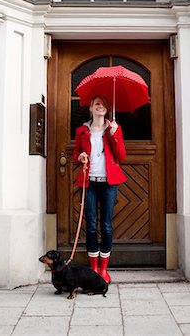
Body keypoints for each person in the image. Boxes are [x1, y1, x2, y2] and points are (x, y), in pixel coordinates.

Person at [73, 95, 127, 283]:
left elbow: (121, 155)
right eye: (97, 103)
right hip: (90, 182)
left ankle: (104, 269)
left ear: (107, 110)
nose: (100, 106)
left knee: (106, 225)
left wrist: (114, 135)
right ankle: (93, 269)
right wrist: (80, 157)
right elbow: (75, 154)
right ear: (91, 108)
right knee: (92, 225)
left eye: (103, 104)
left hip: (109, 183)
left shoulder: (114, 129)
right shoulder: (81, 130)